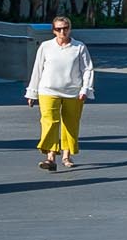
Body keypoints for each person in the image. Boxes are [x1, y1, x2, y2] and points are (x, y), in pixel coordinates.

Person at [26, 16, 97, 173]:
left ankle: (66, 155)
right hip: (48, 90)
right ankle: (50, 157)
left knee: (71, 123)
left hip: (73, 92)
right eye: (58, 29)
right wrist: (32, 92)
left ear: (70, 29)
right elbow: (37, 70)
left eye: (65, 28)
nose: (62, 31)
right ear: (53, 31)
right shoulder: (45, 47)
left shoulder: (79, 47)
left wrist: (85, 89)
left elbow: (87, 69)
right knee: (49, 122)